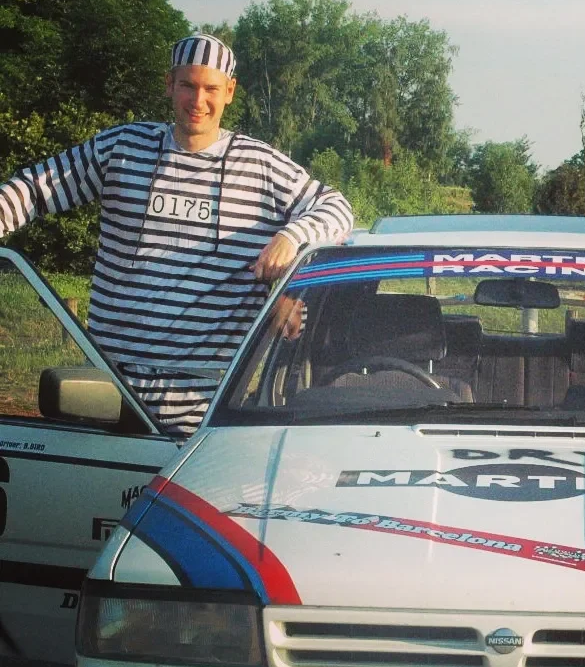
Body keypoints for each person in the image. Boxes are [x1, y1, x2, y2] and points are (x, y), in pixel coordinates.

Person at [0, 32, 353, 436]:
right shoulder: (123, 148)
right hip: (108, 395)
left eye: (210, 89)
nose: (197, 101)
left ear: (230, 92)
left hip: (207, 410)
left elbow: (337, 208)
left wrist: (291, 238)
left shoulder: (260, 165)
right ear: (169, 85)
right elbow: (33, 189)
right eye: (187, 85)